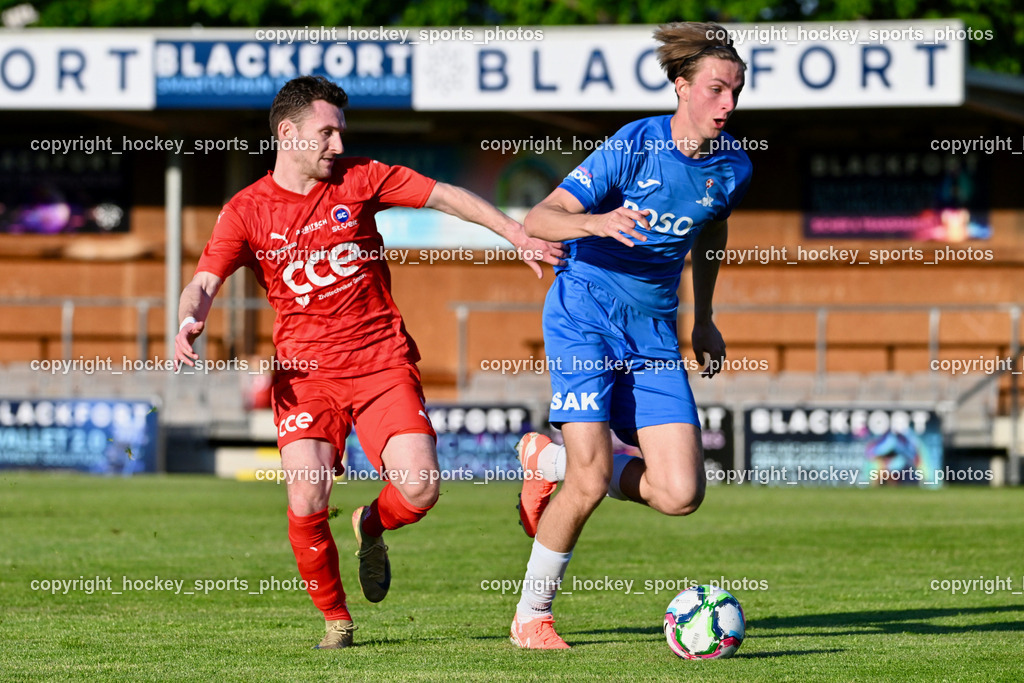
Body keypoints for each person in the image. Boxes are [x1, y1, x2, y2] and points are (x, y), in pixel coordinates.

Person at [173, 75, 563, 649]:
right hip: (306, 377)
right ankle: (337, 620)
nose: (337, 144)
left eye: (340, 132)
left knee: (421, 488)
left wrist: (515, 232)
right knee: (306, 496)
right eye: (326, 133)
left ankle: (370, 523)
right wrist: (190, 318)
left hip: (382, 362)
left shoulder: (361, 177)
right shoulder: (246, 210)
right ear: (288, 133)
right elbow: (204, 281)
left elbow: (445, 195)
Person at [508, 22, 752, 649]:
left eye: (736, 91)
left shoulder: (733, 167)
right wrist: (598, 223)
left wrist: (704, 317)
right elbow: (540, 218)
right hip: (584, 314)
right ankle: (532, 617)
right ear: (682, 88)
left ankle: (548, 459)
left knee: (680, 493)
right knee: (589, 482)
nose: (728, 103)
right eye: (717, 89)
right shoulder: (633, 145)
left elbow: (712, 229)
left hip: (654, 334)